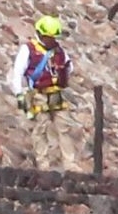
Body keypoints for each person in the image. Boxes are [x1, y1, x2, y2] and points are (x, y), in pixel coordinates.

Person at [7, 14, 78, 171]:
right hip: (38, 94)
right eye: (49, 37)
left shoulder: (59, 51)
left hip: (56, 94)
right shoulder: (29, 49)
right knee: (41, 128)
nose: (52, 40)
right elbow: (18, 72)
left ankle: (69, 162)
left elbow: (69, 66)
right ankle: (43, 163)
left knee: (64, 127)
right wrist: (19, 93)